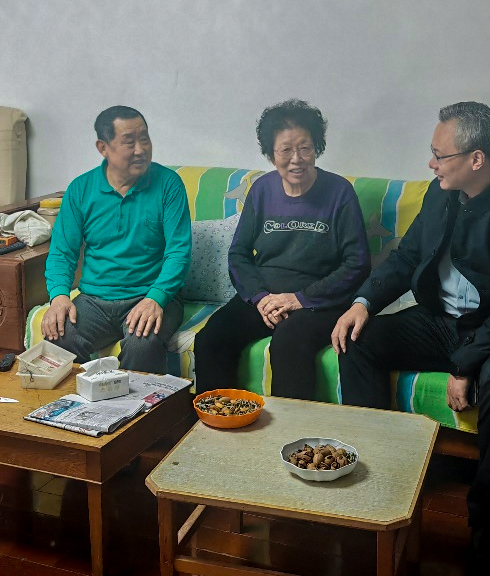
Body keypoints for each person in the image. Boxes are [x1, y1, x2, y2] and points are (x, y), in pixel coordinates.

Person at [332, 102, 490, 539]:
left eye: (440, 155)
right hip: (441, 321)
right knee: (358, 339)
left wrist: (466, 364)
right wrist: (364, 302)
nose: (431, 163)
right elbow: (407, 257)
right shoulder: (440, 192)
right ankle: (375, 475)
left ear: (476, 159)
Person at [194, 100, 370, 400]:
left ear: (317, 148)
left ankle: (291, 429)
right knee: (211, 339)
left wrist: (300, 298)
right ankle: (221, 422)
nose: (296, 159)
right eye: (285, 150)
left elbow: (357, 263)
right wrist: (260, 298)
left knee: (289, 342)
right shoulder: (262, 190)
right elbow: (238, 255)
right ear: (271, 154)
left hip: (318, 301)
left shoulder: (339, 192)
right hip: (266, 297)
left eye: (305, 148)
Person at [41, 106, 191, 372]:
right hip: (94, 300)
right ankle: (80, 400)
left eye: (144, 139)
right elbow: (62, 252)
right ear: (103, 148)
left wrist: (156, 298)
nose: (140, 149)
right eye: (129, 142)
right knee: (59, 336)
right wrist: (59, 296)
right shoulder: (81, 189)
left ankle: (138, 401)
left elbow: (178, 251)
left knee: (142, 344)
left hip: (149, 294)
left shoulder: (169, 184)